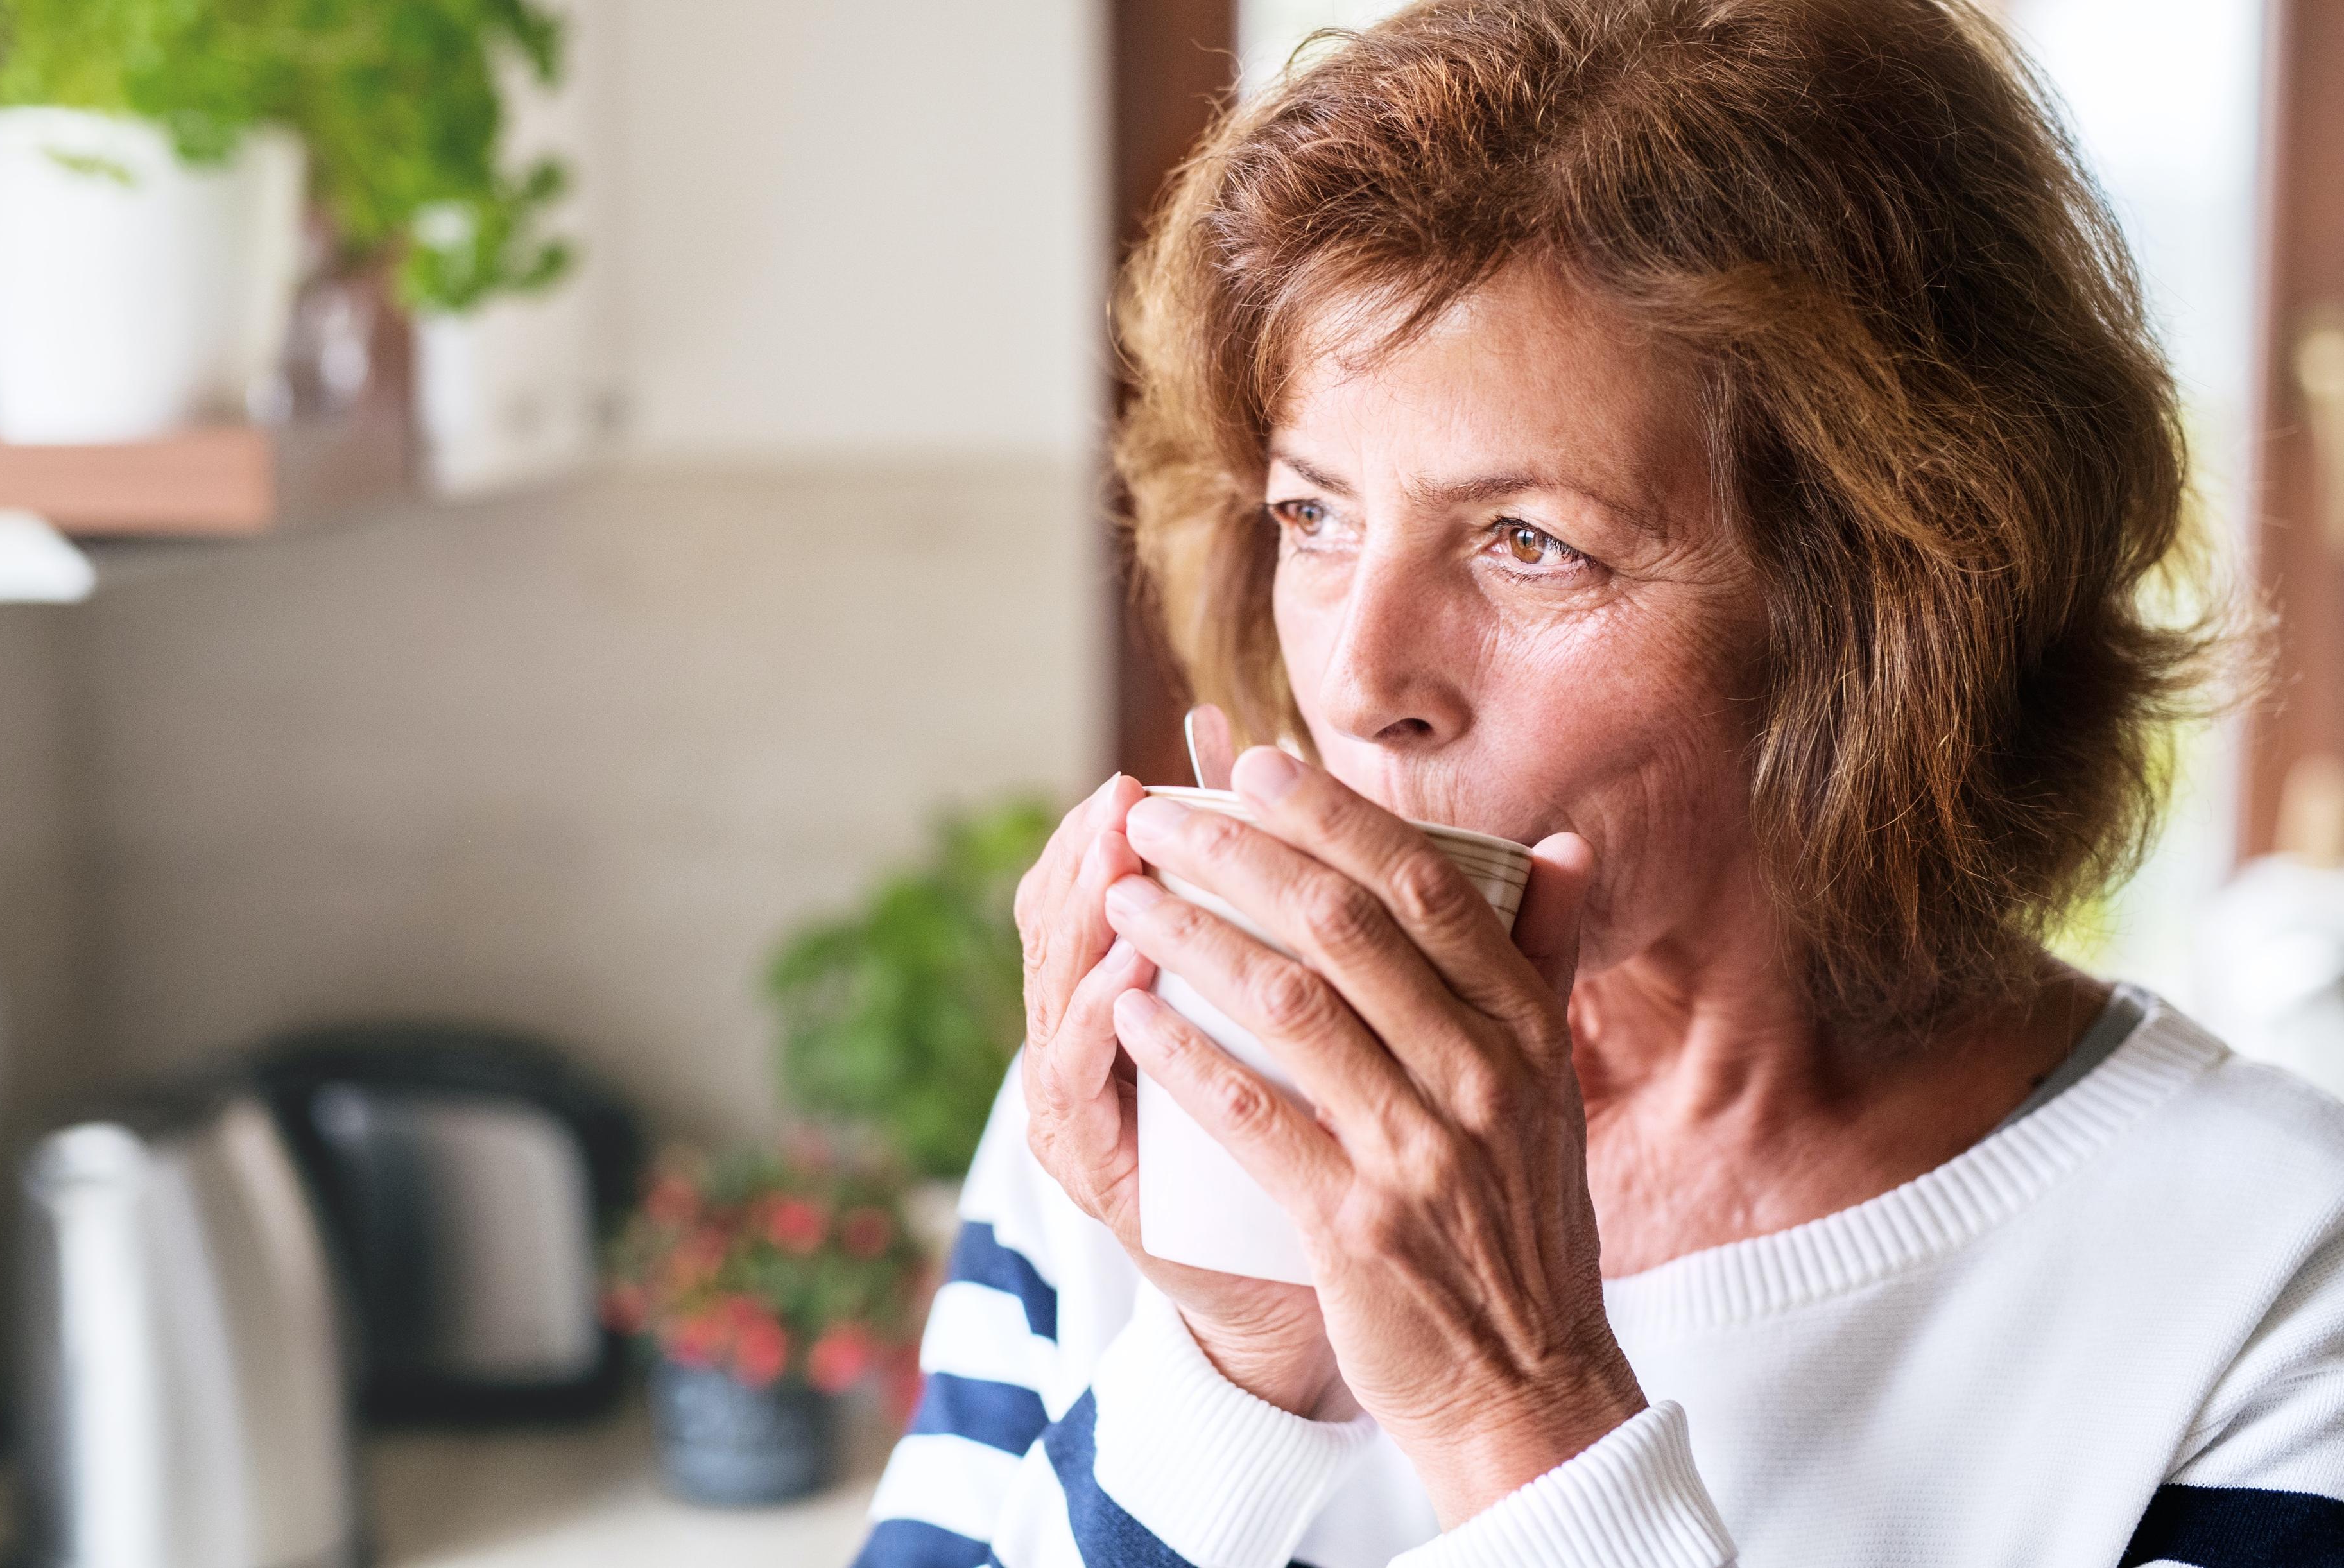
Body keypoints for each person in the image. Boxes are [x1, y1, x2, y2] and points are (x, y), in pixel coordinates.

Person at [857, 2, 2344, 1564]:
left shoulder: (2271, 1279)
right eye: (1314, 514)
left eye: (1529, 543)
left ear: (1890, 617)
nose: (1361, 682)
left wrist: (1526, 1411)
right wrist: (1225, 1378)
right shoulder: (1157, 1094)